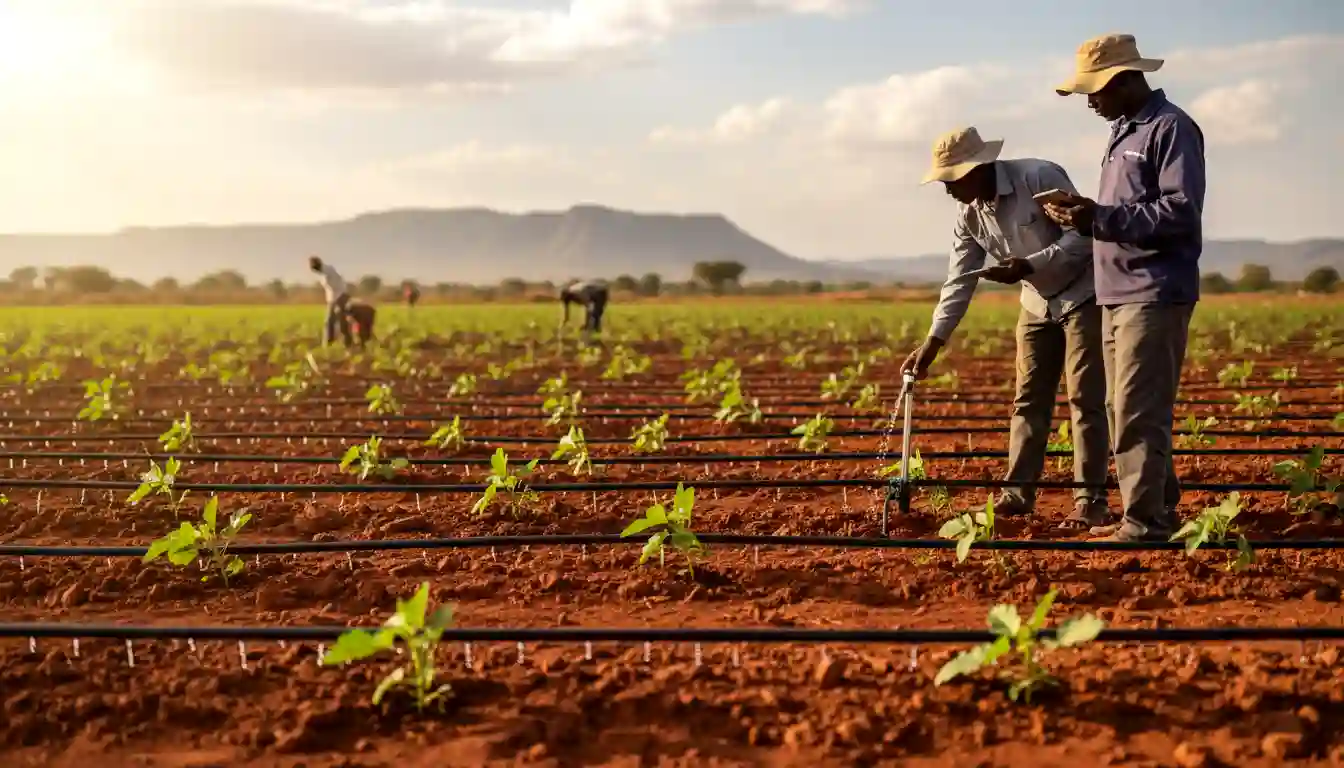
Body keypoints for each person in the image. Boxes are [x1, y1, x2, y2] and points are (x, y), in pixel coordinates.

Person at [903, 126, 1111, 530]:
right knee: (1028, 400)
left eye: (951, 180)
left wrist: (1028, 265)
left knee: (1085, 399)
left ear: (978, 169)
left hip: (1085, 294)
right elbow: (959, 280)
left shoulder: (1039, 177)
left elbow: (1085, 238)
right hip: (1036, 304)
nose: (947, 191)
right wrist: (933, 343)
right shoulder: (968, 215)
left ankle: (1091, 501)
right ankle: (1017, 495)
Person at [1043, 33, 1207, 542]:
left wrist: (1102, 217)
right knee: (1124, 407)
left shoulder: (1171, 127)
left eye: (1095, 90)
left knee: (1138, 407)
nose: (1090, 100)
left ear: (1124, 79)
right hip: (1115, 290)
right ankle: (1159, 509)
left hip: (1152, 290)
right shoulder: (1122, 132)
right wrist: (1083, 217)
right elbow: (1119, 217)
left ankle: (1144, 522)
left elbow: (1181, 211)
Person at [309, 256, 352, 346]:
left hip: (340, 297)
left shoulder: (328, 271)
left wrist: (338, 303)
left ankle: (347, 343)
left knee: (341, 322)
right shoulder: (323, 272)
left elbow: (337, 285)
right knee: (329, 322)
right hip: (333, 299)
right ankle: (329, 343)